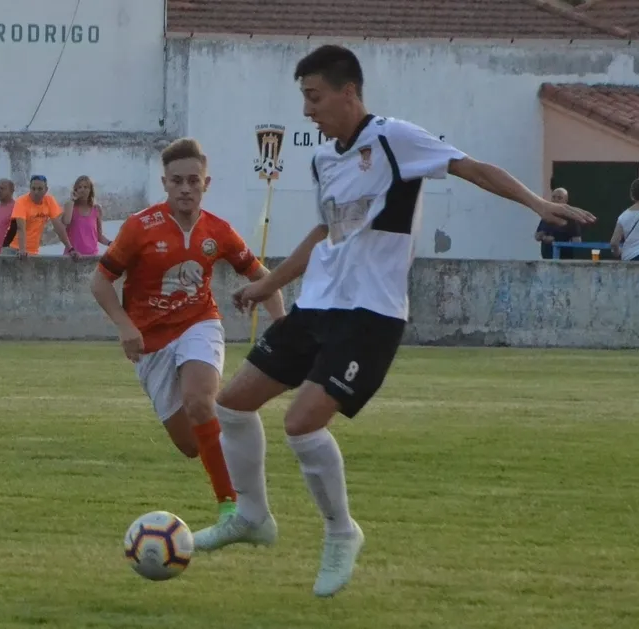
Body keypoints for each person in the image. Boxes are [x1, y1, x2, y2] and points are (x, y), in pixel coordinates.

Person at [190, 44, 595, 598]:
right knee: (232, 405)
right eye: (303, 98)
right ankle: (252, 517)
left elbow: (472, 167)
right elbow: (326, 232)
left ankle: (341, 532)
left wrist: (537, 204)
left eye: (314, 97)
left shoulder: (393, 138)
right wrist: (269, 283)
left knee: (302, 423)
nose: (307, 110)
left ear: (348, 92)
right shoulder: (323, 159)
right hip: (317, 306)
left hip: (370, 315)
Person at [90, 138, 286, 531]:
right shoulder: (139, 227)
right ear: (164, 183)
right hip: (150, 344)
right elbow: (100, 281)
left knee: (200, 402)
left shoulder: (218, 231)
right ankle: (236, 439)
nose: (185, 188)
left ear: (205, 184)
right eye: (177, 180)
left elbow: (262, 277)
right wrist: (125, 326)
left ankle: (232, 509)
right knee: (192, 445)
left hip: (199, 323)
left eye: (193, 181)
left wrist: (282, 325)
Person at [8, 175, 79, 259]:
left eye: (40, 189)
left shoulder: (49, 201)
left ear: (46, 189)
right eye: (33, 189)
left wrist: (70, 249)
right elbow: (21, 228)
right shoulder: (21, 202)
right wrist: (22, 250)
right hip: (16, 249)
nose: (36, 192)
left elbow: (58, 227)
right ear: (30, 188)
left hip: (33, 251)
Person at [62, 175, 110, 256]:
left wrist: (110, 243)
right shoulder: (69, 206)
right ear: (75, 190)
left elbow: (99, 236)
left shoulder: (97, 209)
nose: (82, 190)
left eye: (85, 187)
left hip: (91, 257)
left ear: (90, 190)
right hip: (72, 257)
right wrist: (72, 200)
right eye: (79, 187)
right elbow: (66, 221)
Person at [535, 188, 582, 259]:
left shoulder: (571, 219)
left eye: (559, 198)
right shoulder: (547, 215)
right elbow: (537, 236)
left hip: (564, 260)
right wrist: (544, 238)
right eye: (553, 197)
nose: (555, 200)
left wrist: (558, 242)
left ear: (566, 201)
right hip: (546, 259)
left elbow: (577, 242)